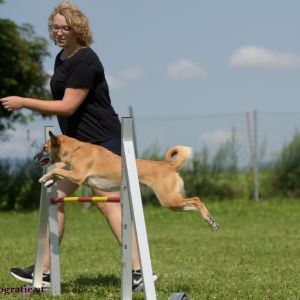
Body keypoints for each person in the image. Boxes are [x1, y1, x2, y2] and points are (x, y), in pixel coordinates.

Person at [0, 2, 156, 292]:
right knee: (54, 197)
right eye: (54, 27)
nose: (58, 32)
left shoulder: (86, 60)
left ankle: (139, 272)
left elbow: (68, 107)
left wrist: (24, 101)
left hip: (103, 142)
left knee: (108, 205)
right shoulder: (62, 58)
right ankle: (44, 274)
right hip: (77, 147)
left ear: (77, 29)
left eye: (64, 27)